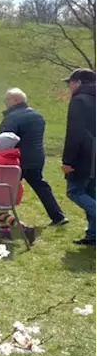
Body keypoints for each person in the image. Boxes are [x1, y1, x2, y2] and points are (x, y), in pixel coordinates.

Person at [0, 88, 67, 226]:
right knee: (40, 185)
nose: (5, 102)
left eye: (7, 99)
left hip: (17, 158)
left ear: (16, 100)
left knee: (3, 186)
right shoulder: (37, 115)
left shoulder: (11, 117)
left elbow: (5, 140)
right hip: (37, 156)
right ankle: (58, 216)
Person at [61, 69, 97, 247]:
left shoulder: (79, 101)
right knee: (91, 192)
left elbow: (74, 133)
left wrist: (68, 161)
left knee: (75, 191)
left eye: (71, 83)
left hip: (86, 155)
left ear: (79, 83)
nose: (69, 87)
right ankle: (93, 234)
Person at [0, 132, 34, 242]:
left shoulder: (0, 160)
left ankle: (24, 228)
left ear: (1, 147)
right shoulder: (13, 157)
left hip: (1, 192)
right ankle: (5, 233)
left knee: (2, 215)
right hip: (10, 191)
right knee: (1, 213)